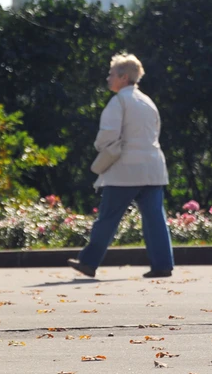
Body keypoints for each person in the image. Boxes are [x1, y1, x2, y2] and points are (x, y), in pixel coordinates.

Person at [68, 53, 174, 279]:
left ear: (123, 77)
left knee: (108, 217)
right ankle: (163, 265)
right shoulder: (147, 101)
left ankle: (88, 262)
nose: (108, 78)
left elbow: (108, 135)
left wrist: (100, 147)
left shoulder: (119, 101)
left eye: (111, 74)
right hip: (153, 168)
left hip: (125, 169)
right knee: (155, 218)